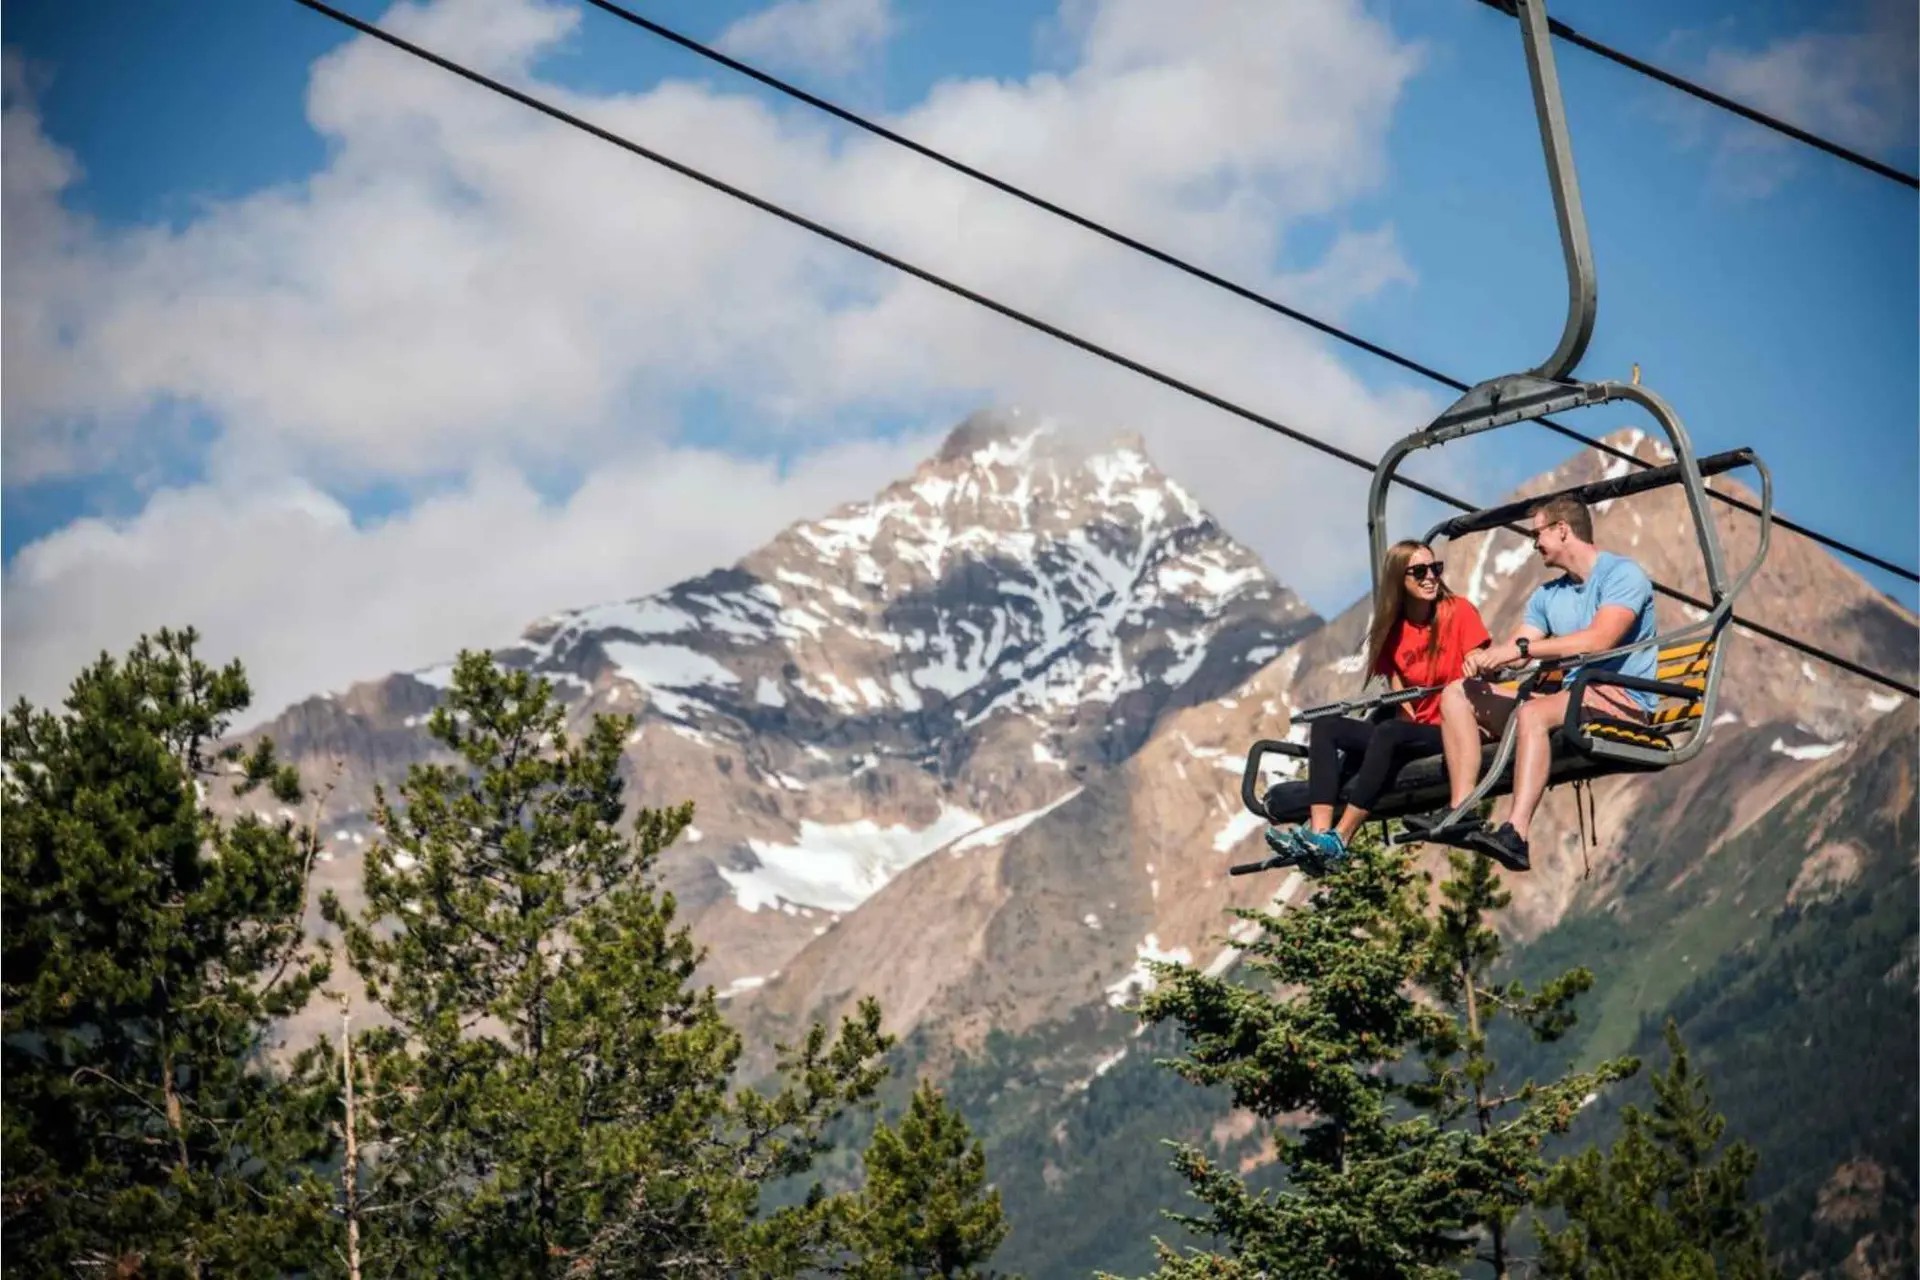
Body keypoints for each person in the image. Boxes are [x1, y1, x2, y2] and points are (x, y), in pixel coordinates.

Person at [1433, 493, 1659, 872]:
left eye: (1537, 534)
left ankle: (1516, 834)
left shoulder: (1623, 575)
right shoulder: (1548, 595)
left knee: (1534, 713)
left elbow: (1598, 640)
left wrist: (1520, 649)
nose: (1534, 543)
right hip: (1572, 700)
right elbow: (1521, 647)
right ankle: (1462, 809)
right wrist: (1491, 662)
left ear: (1562, 530)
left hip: (1622, 699)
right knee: (1457, 694)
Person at [1268, 539, 1490, 871]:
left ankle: (1341, 840)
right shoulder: (1393, 632)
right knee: (1327, 726)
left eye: (1435, 568)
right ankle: (1319, 834)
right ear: (1400, 579)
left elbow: (1477, 655)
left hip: (1453, 728)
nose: (1430, 577)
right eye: (1419, 571)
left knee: (1388, 733)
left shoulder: (1457, 611)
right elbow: (1403, 702)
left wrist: (1478, 662)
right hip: (1416, 732)